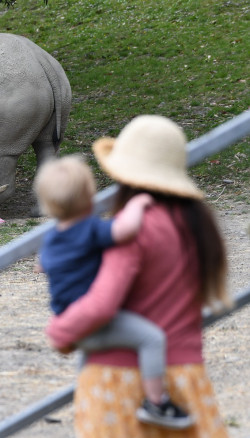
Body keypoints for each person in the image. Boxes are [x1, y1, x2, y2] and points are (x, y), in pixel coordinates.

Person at [46, 115, 231, 437]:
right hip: (186, 376)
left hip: (121, 382)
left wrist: (62, 332)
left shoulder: (133, 230)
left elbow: (103, 303)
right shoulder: (196, 226)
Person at [34, 155, 193, 430]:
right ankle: (157, 403)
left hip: (70, 320)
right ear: (89, 196)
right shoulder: (90, 229)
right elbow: (125, 229)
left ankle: (87, 404)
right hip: (93, 319)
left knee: (89, 356)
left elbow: (41, 266)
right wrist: (138, 203)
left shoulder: (52, 239)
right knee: (151, 338)